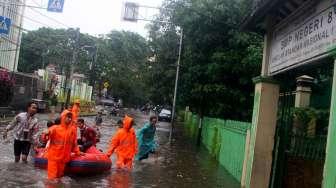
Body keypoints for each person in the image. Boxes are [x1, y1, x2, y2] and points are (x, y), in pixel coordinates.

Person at [43, 110, 82, 180]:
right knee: (52, 179)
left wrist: (78, 152)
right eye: (68, 117)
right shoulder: (55, 128)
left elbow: (74, 143)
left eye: (70, 117)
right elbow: (46, 136)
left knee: (59, 177)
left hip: (63, 159)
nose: (69, 119)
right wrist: (46, 133)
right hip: (54, 158)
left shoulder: (72, 130)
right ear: (63, 117)